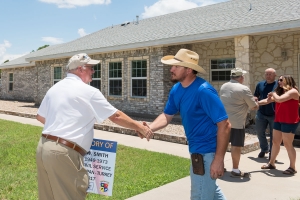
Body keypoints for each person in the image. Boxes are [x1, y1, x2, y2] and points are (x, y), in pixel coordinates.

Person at [36, 53, 153, 200]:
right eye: (91, 68)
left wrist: (61, 127)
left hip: (43, 147)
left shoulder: (54, 89)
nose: (93, 71)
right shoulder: (88, 91)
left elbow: (40, 117)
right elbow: (116, 116)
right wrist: (140, 127)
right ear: (80, 69)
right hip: (64, 153)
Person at [143, 49, 231, 200]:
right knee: (211, 192)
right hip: (196, 151)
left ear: (189, 70)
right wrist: (149, 128)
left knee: (199, 195)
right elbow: (167, 115)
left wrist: (218, 159)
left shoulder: (204, 91)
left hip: (207, 152)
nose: (171, 69)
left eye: (176, 66)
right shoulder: (177, 89)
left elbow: (225, 125)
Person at [220, 68, 258, 178]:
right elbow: (254, 107)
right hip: (237, 123)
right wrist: (255, 101)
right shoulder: (244, 89)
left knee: (223, 145)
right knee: (236, 146)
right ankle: (235, 170)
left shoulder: (224, 86)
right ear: (241, 77)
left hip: (223, 122)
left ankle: (220, 166)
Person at [259, 75, 299, 175]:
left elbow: (280, 99)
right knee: (275, 142)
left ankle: (292, 167)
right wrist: (255, 104)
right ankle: (271, 163)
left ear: (287, 81)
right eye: (279, 80)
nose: (279, 82)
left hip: (290, 121)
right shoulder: (280, 93)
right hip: (279, 120)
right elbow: (267, 101)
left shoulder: (293, 92)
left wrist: (273, 93)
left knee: (287, 144)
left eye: (281, 80)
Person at [254, 68, 277, 159]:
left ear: (275, 75)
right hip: (261, 113)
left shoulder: (278, 86)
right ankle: (264, 149)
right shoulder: (260, 84)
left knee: (273, 135)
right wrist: (255, 98)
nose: (268, 76)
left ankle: (272, 152)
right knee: (260, 132)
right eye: (266, 74)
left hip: (274, 114)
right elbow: (256, 95)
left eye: (270, 74)